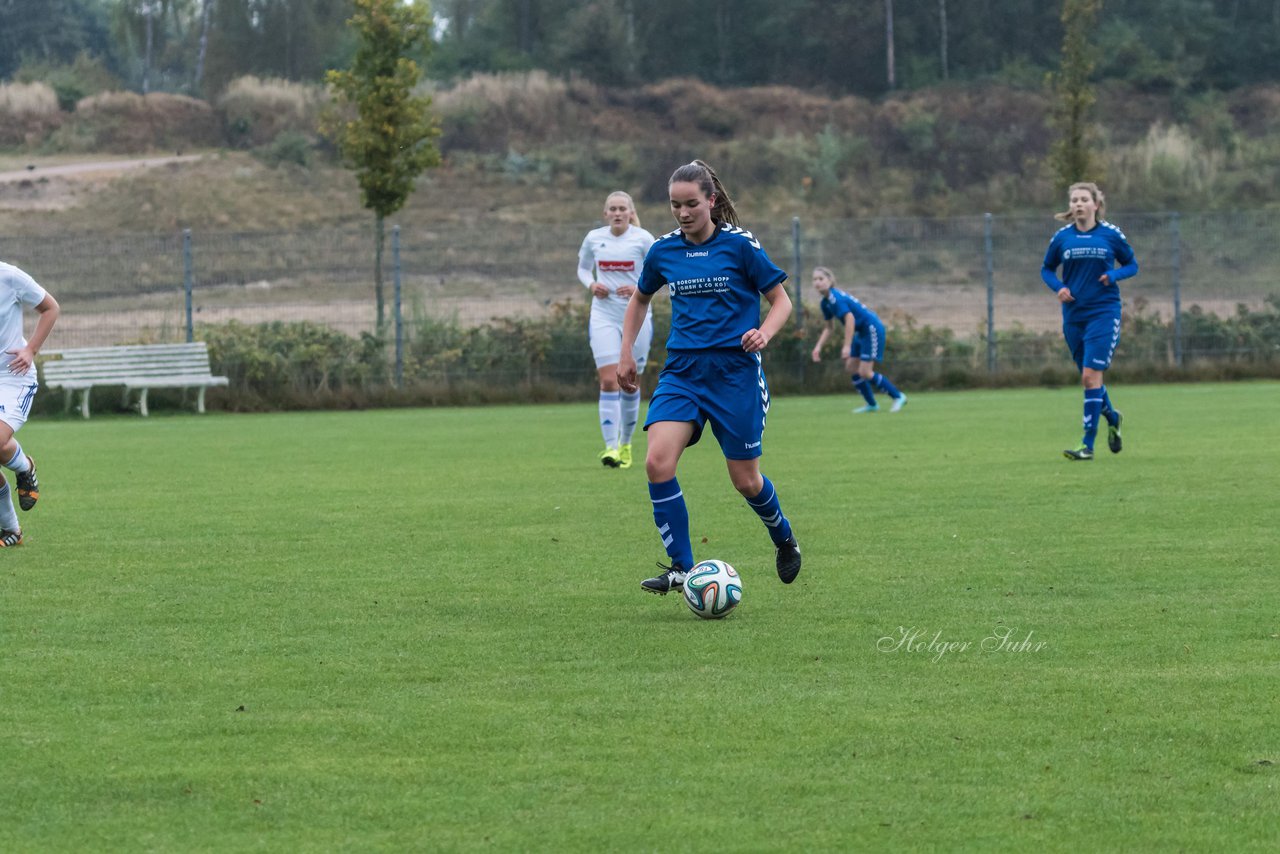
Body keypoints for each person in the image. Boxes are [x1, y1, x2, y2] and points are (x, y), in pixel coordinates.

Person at [617, 160, 801, 595]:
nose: (683, 212)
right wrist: (626, 352)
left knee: (745, 480)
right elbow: (640, 300)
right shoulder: (663, 251)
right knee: (657, 462)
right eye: (675, 205)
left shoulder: (739, 246)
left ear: (712, 201)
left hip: (734, 374)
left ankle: (783, 537)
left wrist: (764, 332)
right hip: (682, 372)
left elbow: (781, 301)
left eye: (692, 204)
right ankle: (682, 567)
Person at [1041, 182, 1138, 461]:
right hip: (1074, 316)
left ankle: (1087, 445)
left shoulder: (1111, 234)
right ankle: (1113, 418)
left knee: (1089, 376)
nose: (1079, 204)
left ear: (1096, 205)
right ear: (1071, 206)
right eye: (1074, 200)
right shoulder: (1062, 238)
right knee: (1090, 379)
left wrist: (1114, 276)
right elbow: (1046, 268)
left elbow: (1132, 264)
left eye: (1084, 199)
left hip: (1104, 313)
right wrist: (1058, 287)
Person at [577, 190, 656, 469]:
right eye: (613, 209)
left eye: (623, 208)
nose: (618, 213)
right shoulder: (594, 239)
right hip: (603, 315)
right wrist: (591, 285)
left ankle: (626, 443)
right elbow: (584, 269)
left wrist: (639, 288)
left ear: (631, 212)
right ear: (606, 213)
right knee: (609, 380)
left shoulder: (644, 239)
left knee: (630, 380)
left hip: (638, 317)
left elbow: (661, 273)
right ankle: (610, 447)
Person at [0, 260, 60, 547]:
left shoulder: (9, 277)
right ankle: (11, 530)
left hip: (13, 375)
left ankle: (23, 466)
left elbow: (51, 308)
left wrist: (31, 349)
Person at [809, 266, 907, 413]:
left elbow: (850, 319)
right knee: (851, 367)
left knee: (865, 372)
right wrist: (818, 347)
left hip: (871, 328)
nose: (818, 282)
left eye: (821, 279)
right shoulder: (826, 303)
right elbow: (829, 327)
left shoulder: (836, 298)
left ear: (830, 281)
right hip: (861, 332)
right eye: (815, 279)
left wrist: (847, 346)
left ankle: (898, 396)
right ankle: (872, 405)